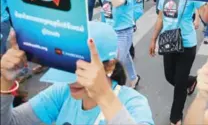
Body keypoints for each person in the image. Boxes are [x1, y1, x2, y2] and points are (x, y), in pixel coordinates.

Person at [1, 22, 154, 125]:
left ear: (109, 66)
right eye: (65, 68)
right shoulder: (62, 92)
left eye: (83, 70)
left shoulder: (133, 103)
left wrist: (104, 97)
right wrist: (5, 81)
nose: (71, 80)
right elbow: (10, 121)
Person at [149, 0, 208, 125]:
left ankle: (175, 117)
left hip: (186, 43)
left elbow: (207, 20)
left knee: (179, 84)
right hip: (168, 40)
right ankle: (192, 81)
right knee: (169, 76)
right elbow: (160, 18)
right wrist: (153, 39)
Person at [101, 0, 140, 89]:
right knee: (126, 56)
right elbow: (106, 9)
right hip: (111, 30)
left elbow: (117, 3)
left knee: (117, 63)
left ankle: (117, 90)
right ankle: (134, 78)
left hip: (124, 32)